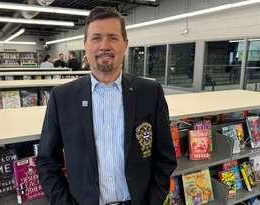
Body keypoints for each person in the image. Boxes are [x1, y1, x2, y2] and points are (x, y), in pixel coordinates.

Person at [37, 6, 177, 205]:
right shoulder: (62, 97)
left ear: (125, 44)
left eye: (113, 37)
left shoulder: (150, 92)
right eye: (96, 38)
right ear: (85, 45)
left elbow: (165, 158)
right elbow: (46, 161)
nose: (104, 45)